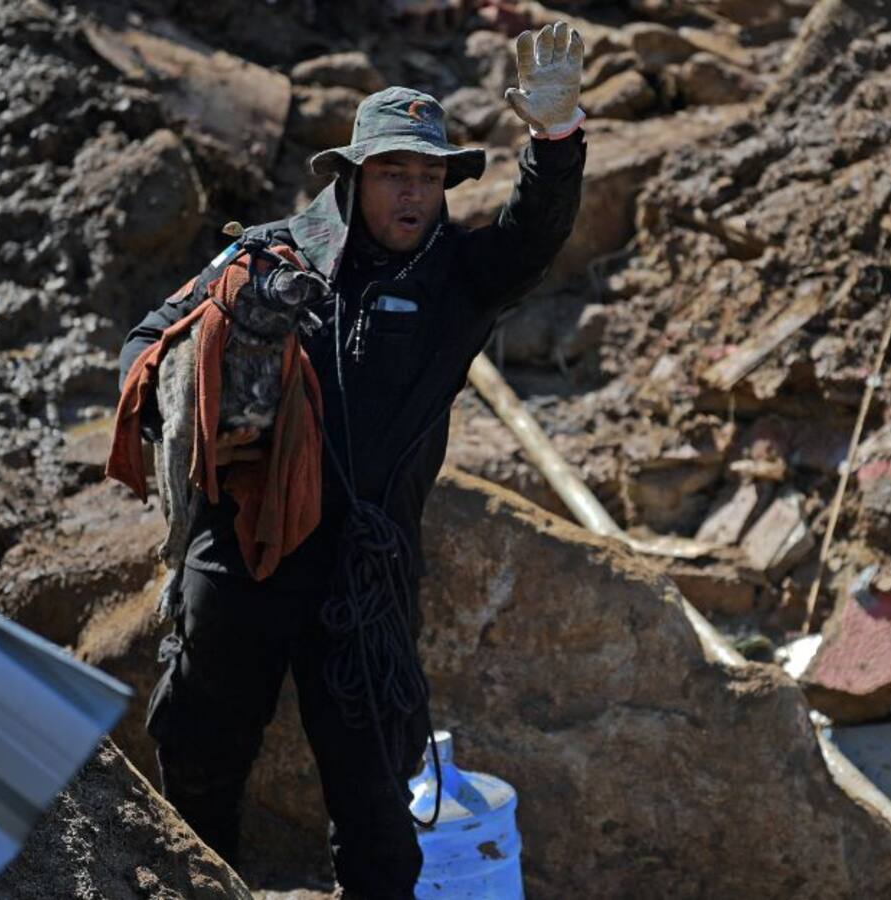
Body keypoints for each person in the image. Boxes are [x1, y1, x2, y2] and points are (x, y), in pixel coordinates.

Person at [118, 21, 587, 899]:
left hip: (365, 580)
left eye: (428, 176)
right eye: (392, 173)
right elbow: (147, 344)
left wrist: (556, 142)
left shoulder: (460, 280)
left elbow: (533, 234)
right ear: (350, 179)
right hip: (244, 556)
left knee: (377, 817)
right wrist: (193, 402)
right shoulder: (266, 254)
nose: (413, 193)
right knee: (198, 774)